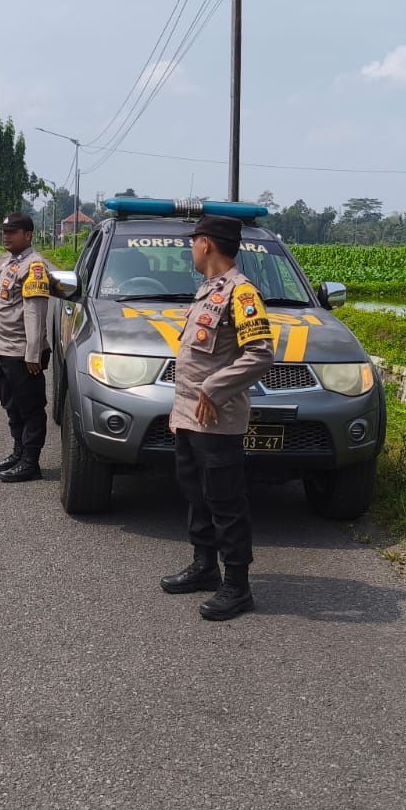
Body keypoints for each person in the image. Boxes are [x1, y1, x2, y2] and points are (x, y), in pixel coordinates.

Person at [160, 215, 274, 621]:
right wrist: (179, 411)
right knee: (197, 495)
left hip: (217, 420)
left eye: (193, 242)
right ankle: (205, 565)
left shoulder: (242, 293)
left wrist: (213, 388)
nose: (191, 249)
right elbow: (193, 358)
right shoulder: (208, 290)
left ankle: (237, 586)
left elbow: (260, 353)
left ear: (206, 244)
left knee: (225, 502)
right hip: (191, 417)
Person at [0, 211, 50, 483]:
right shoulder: (11, 263)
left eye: (12, 232)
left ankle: (30, 462)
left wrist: (33, 353)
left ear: (28, 235)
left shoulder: (34, 267)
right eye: (5, 232)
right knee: (12, 405)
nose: (6, 236)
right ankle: (18, 452)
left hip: (23, 353)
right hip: (5, 349)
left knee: (31, 408)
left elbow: (35, 312)